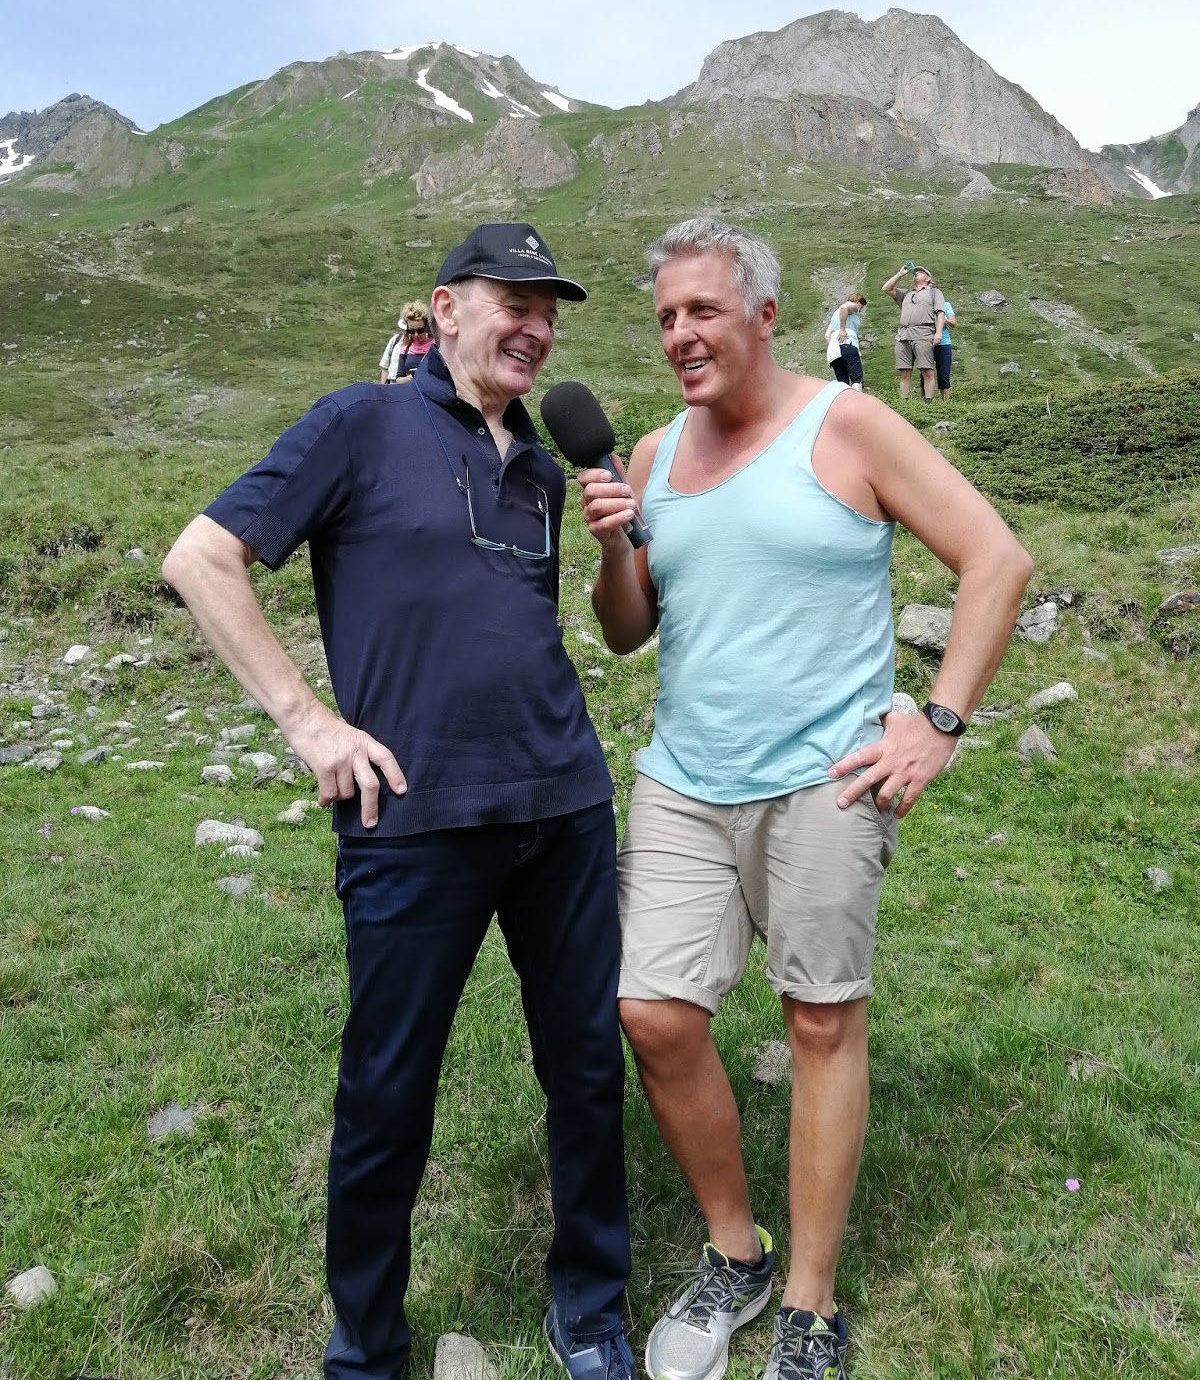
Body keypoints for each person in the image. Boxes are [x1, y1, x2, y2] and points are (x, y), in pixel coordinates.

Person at [162, 222, 633, 1380]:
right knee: (387, 1092)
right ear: (447, 307)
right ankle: (367, 1347)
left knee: (584, 1069)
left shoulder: (543, 467)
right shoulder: (357, 425)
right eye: (514, 301)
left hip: (564, 804)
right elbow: (200, 558)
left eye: (549, 312)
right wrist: (307, 721)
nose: (536, 327)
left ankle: (590, 1303)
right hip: (414, 821)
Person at [578, 217, 1031, 1380]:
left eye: (703, 310)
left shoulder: (849, 424)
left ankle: (810, 1304)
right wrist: (616, 549)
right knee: (652, 1013)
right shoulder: (652, 453)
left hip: (826, 779)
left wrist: (938, 722)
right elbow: (627, 633)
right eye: (666, 317)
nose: (681, 334)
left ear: (765, 315)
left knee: (821, 1024)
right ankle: (737, 1252)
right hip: (684, 782)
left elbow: (996, 558)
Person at [881, 263, 944, 403]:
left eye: (920, 272)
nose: (916, 273)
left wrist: (938, 333)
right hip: (903, 334)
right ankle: (904, 403)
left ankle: (928, 402)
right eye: (915, 271)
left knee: (927, 370)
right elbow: (886, 288)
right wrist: (900, 274)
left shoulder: (935, 293)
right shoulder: (906, 294)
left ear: (928, 278)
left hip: (923, 333)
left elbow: (940, 313)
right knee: (904, 371)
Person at [379, 301, 435, 384]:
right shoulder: (405, 348)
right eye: (411, 331)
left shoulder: (436, 345)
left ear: (426, 327)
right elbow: (398, 376)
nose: (416, 335)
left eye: (419, 330)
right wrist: (407, 379)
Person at [823, 295, 866, 390]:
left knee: (842, 383)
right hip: (848, 344)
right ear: (858, 302)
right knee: (856, 379)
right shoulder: (854, 307)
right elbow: (844, 307)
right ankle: (857, 397)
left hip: (834, 351)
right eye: (862, 307)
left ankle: (844, 398)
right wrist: (842, 329)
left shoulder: (835, 315)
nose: (860, 310)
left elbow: (827, 335)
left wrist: (836, 345)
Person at [934, 295, 956, 402]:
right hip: (926, 342)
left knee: (944, 375)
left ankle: (945, 404)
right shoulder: (924, 305)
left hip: (944, 343)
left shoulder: (946, 305)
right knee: (925, 373)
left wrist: (943, 319)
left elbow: (953, 323)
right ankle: (926, 403)